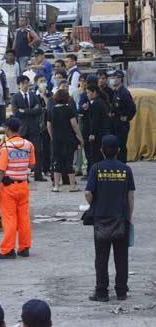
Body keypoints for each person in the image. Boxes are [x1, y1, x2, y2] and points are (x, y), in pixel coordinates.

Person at [85, 135, 135, 302]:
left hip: (101, 219)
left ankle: (102, 292)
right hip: (121, 218)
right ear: (118, 151)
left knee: (101, 257)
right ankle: (121, 292)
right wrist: (129, 217)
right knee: (121, 257)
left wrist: (93, 204)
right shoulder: (125, 169)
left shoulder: (96, 169)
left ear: (102, 150)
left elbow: (88, 193)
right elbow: (131, 196)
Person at [0, 118, 36, 259]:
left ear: (8, 129)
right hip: (23, 185)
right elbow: (32, 165)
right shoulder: (28, 145)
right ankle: (24, 248)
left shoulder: (5, 147)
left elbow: (0, 171)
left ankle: (7, 249)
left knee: (9, 219)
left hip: (8, 187)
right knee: (23, 218)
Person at [47, 89, 84, 192]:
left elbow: (48, 125)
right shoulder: (69, 110)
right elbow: (74, 125)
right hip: (69, 139)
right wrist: (80, 137)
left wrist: (52, 137)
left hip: (56, 140)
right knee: (69, 161)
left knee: (57, 162)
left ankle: (56, 186)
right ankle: (72, 186)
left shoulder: (52, 110)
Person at [11, 76, 46, 181]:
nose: (25, 85)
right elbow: (16, 113)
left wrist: (25, 111)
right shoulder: (15, 97)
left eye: (27, 83)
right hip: (22, 128)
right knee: (22, 153)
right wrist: (31, 111)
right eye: (23, 83)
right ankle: (23, 175)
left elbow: (39, 109)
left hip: (34, 127)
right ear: (19, 85)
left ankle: (38, 174)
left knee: (37, 151)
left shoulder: (33, 95)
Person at [82, 83, 111, 173]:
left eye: (88, 92)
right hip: (101, 133)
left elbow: (96, 120)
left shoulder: (97, 103)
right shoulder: (97, 102)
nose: (87, 95)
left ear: (94, 92)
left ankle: (96, 173)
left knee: (96, 154)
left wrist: (92, 133)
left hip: (99, 134)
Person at [109, 70, 136, 163]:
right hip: (115, 122)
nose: (112, 80)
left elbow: (132, 108)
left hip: (121, 124)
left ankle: (122, 165)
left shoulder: (124, 92)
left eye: (114, 77)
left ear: (120, 79)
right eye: (112, 77)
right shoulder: (116, 92)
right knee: (116, 145)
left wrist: (127, 117)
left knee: (121, 146)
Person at [34, 75, 52, 176]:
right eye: (41, 81)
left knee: (47, 147)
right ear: (37, 83)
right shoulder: (33, 95)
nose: (43, 82)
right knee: (37, 148)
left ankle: (46, 168)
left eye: (45, 80)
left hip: (47, 124)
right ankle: (36, 168)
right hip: (36, 124)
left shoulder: (51, 94)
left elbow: (49, 107)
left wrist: (44, 95)